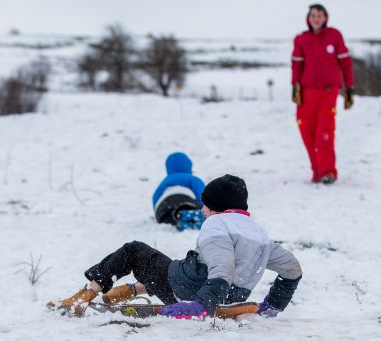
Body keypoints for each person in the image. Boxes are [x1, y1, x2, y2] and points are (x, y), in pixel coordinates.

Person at [50, 174, 302, 319]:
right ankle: (129, 290)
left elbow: (222, 268)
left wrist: (200, 307)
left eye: (205, 205)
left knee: (134, 250)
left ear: (217, 207)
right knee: (168, 266)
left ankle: (84, 296)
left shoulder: (216, 224)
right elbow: (292, 268)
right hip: (229, 295)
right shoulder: (257, 233)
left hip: (194, 290)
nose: (202, 210)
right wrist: (273, 306)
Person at [291, 3, 355, 184]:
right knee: (306, 129)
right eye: (313, 15)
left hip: (329, 91)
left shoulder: (334, 36)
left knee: (324, 131)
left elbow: (346, 63)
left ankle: (328, 172)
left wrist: (349, 87)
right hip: (306, 91)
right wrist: (294, 87)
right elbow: (296, 64)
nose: (316, 18)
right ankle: (317, 171)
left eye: (319, 15)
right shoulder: (301, 39)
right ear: (309, 18)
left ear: (325, 17)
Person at [152, 152, 206, 231]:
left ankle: (177, 220)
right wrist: (203, 207)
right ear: (189, 166)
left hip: (162, 208)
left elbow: (155, 197)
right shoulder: (192, 178)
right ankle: (188, 217)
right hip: (183, 199)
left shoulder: (164, 182)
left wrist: (158, 214)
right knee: (193, 211)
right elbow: (201, 195)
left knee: (170, 218)